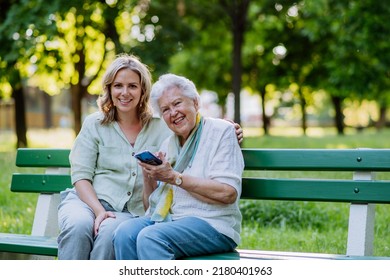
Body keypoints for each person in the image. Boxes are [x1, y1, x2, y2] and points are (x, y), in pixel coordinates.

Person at [57, 54, 243, 260]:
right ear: (109, 89)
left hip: (133, 211)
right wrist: (99, 211)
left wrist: (228, 127)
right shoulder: (95, 123)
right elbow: (81, 175)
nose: (125, 92)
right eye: (118, 85)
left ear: (142, 90)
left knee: (112, 232)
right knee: (78, 227)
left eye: (132, 86)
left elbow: (196, 124)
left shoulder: (162, 125)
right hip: (88, 201)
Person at [112, 74, 244, 260]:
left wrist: (174, 177)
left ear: (195, 103)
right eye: (165, 109)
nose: (173, 112)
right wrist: (150, 176)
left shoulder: (222, 131)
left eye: (177, 103)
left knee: (151, 237)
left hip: (213, 224)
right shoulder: (168, 144)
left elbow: (228, 193)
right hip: (172, 221)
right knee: (125, 233)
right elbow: (151, 207)